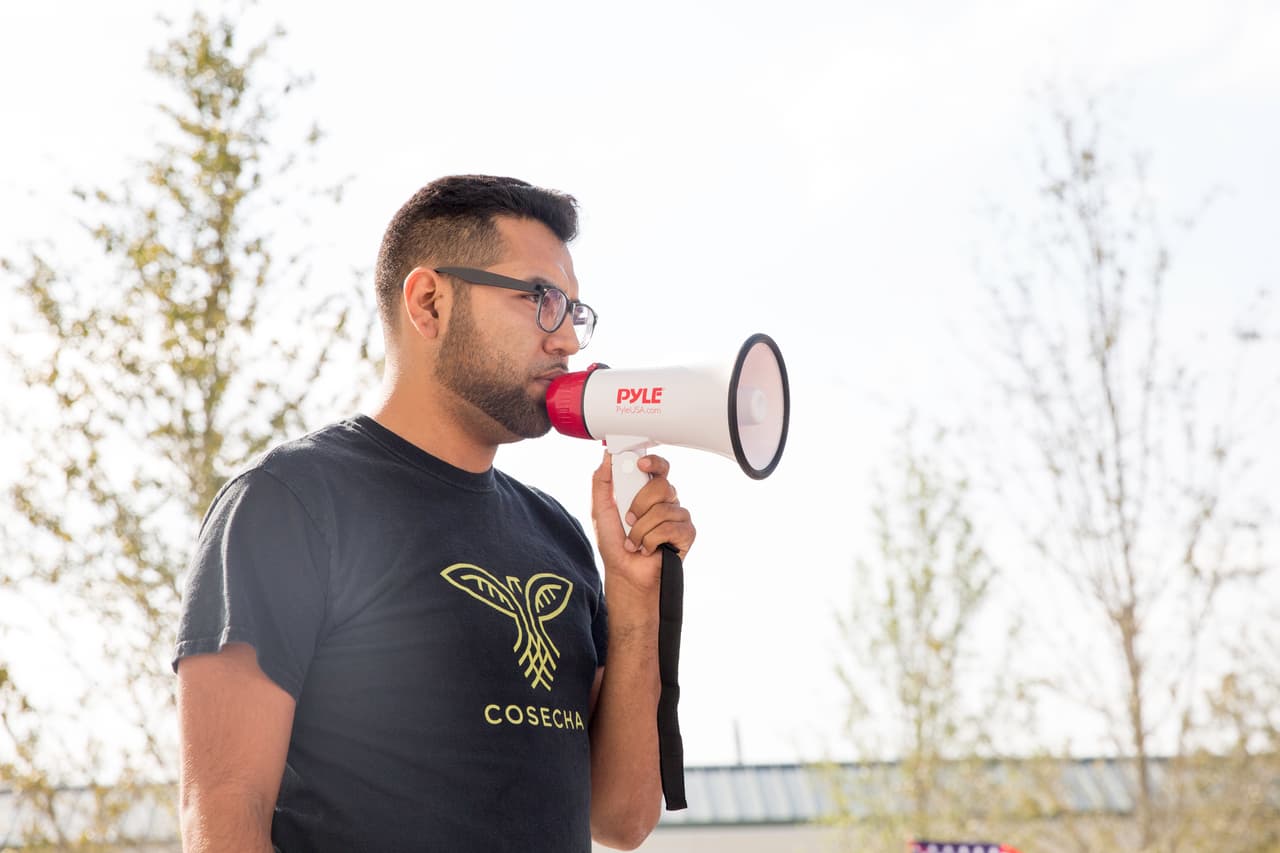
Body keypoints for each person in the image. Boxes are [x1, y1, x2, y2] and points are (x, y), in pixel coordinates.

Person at [172, 175, 696, 852]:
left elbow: (621, 818)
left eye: (573, 310)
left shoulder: (559, 536)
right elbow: (223, 813)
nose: (568, 340)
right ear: (428, 303)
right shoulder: (288, 503)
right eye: (540, 299)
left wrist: (632, 595)